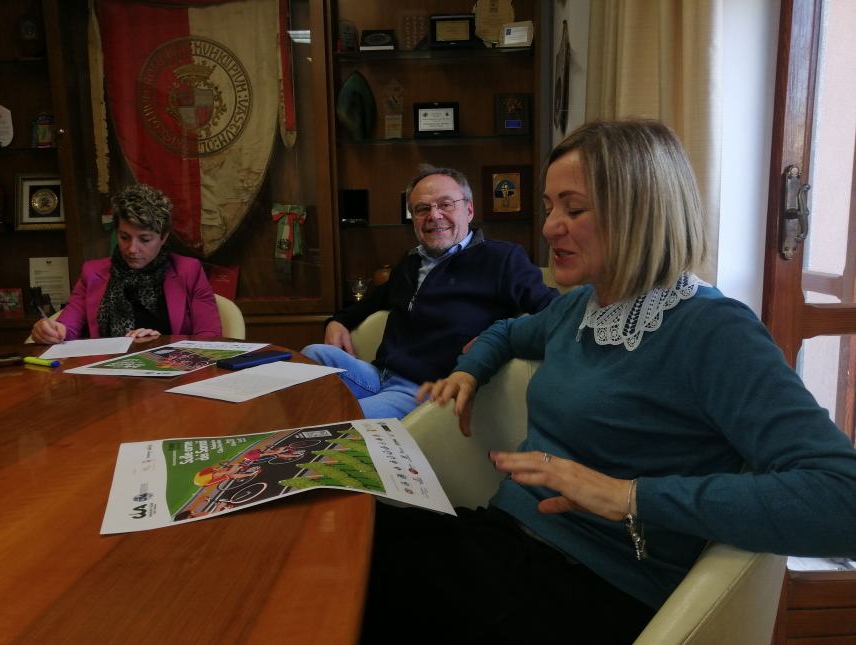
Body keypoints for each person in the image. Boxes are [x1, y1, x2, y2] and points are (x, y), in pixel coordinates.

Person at [362, 120, 856, 643]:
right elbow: (508, 331)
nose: (551, 227)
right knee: (347, 535)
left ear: (641, 209)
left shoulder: (713, 330)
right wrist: (469, 369)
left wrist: (630, 497)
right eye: (550, 207)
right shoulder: (580, 306)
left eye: (573, 209)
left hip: (589, 587)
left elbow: (841, 499)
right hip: (502, 541)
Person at [301, 164, 558, 419]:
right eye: (422, 209)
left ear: (469, 210)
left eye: (446, 204)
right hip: (378, 375)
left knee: (340, 419)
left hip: (421, 392)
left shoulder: (502, 259)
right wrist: (337, 321)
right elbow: (371, 302)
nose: (434, 216)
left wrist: (503, 340)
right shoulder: (411, 261)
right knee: (312, 356)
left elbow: (553, 312)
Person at [30, 183, 221, 343]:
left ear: (163, 238)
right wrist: (49, 331)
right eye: (124, 237)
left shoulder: (189, 271)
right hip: (107, 379)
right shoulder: (93, 272)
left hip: (171, 375)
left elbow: (210, 337)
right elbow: (67, 327)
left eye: (144, 239)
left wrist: (163, 342)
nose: (132, 249)